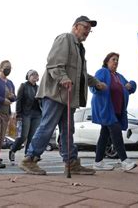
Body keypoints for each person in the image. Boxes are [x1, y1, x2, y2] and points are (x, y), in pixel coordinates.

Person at [20, 15, 106, 175]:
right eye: (85, 27)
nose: (88, 31)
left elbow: (81, 74)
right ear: (75, 27)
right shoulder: (65, 38)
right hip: (56, 93)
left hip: (68, 97)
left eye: (90, 29)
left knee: (68, 130)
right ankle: (30, 159)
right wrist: (64, 78)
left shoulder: (80, 48)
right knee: (47, 126)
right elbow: (53, 63)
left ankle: (71, 162)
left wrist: (96, 82)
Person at [90, 52, 138, 171]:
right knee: (116, 132)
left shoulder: (119, 76)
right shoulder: (103, 72)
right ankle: (124, 161)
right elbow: (93, 84)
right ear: (107, 61)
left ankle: (98, 162)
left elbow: (131, 86)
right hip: (106, 109)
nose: (116, 62)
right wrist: (98, 86)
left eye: (117, 60)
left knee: (104, 136)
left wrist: (130, 85)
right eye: (113, 59)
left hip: (117, 110)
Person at [9, 69, 42, 163]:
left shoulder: (39, 88)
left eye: (36, 75)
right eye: (32, 75)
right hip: (25, 114)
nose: (35, 76)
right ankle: (13, 149)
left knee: (32, 137)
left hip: (37, 114)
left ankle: (28, 157)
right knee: (23, 136)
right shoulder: (23, 86)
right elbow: (19, 100)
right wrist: (18, 113)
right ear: (28, 76)